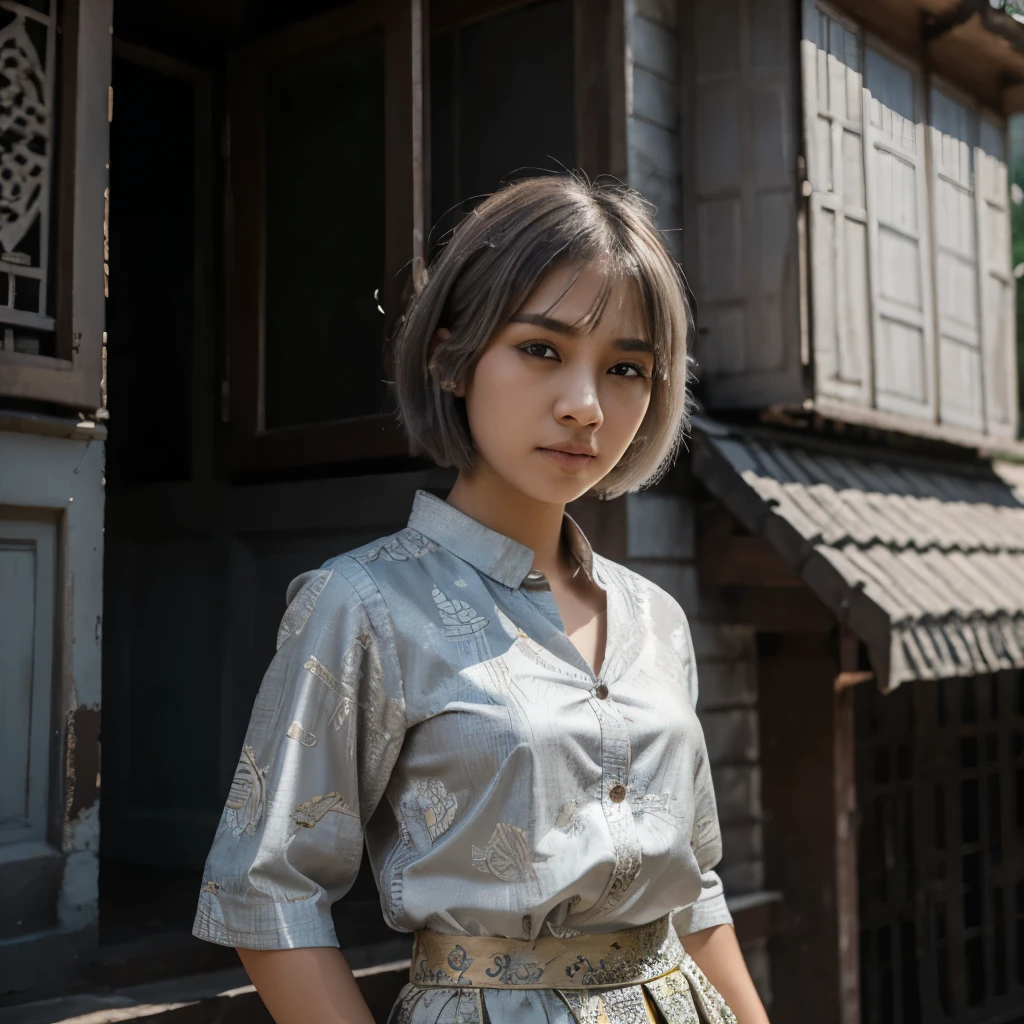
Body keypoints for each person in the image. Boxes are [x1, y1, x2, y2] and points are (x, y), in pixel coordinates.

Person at [192, 175, 771, 1024]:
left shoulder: (658, 619)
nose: (584, 406)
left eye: (624, 368)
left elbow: (695, 887)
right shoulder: (362, 604)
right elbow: (266, 890)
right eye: (542, 348)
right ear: (449, 358)